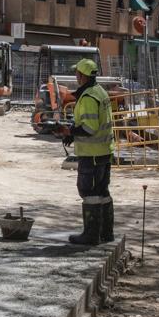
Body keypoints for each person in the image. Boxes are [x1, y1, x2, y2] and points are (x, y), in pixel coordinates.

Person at [67, 57, 115, 245]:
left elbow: (89, 128)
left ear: (82, 76)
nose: (76, 76)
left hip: (92, 154)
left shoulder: (87, 97)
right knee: (102, 192)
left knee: (89, 192)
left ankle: (91, 235)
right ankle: (106, 233)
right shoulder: (100, 92)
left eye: (77, 73)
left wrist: (69, 131)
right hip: (104, 152)